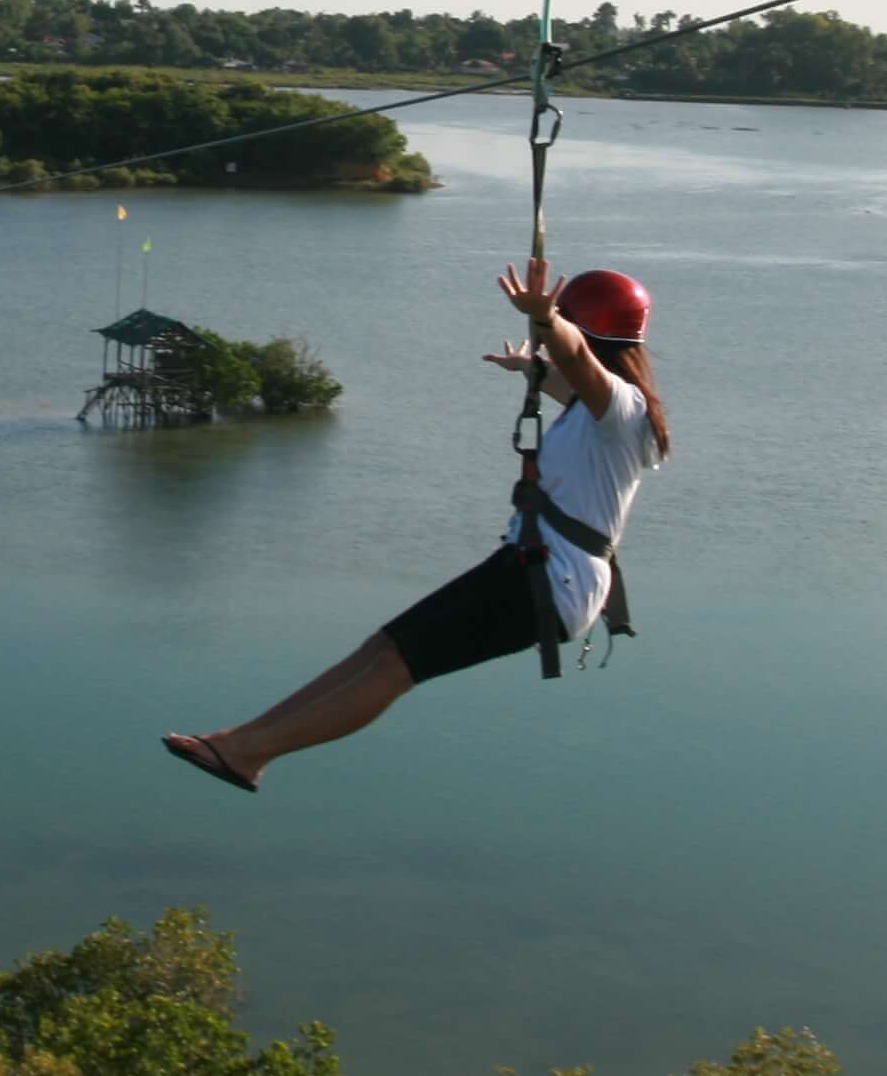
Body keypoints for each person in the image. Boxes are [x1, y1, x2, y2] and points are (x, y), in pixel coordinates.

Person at [163, 258, 669, 792]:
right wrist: (528, 367)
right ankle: (240, 740)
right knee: (380, 649)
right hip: (531, 566)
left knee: (396, 667)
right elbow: (568, 380)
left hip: (553, 581)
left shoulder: (622, 407)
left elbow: (578, 362)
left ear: (590, 335)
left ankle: (249, 752)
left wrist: (548, 321)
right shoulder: (602, 412)